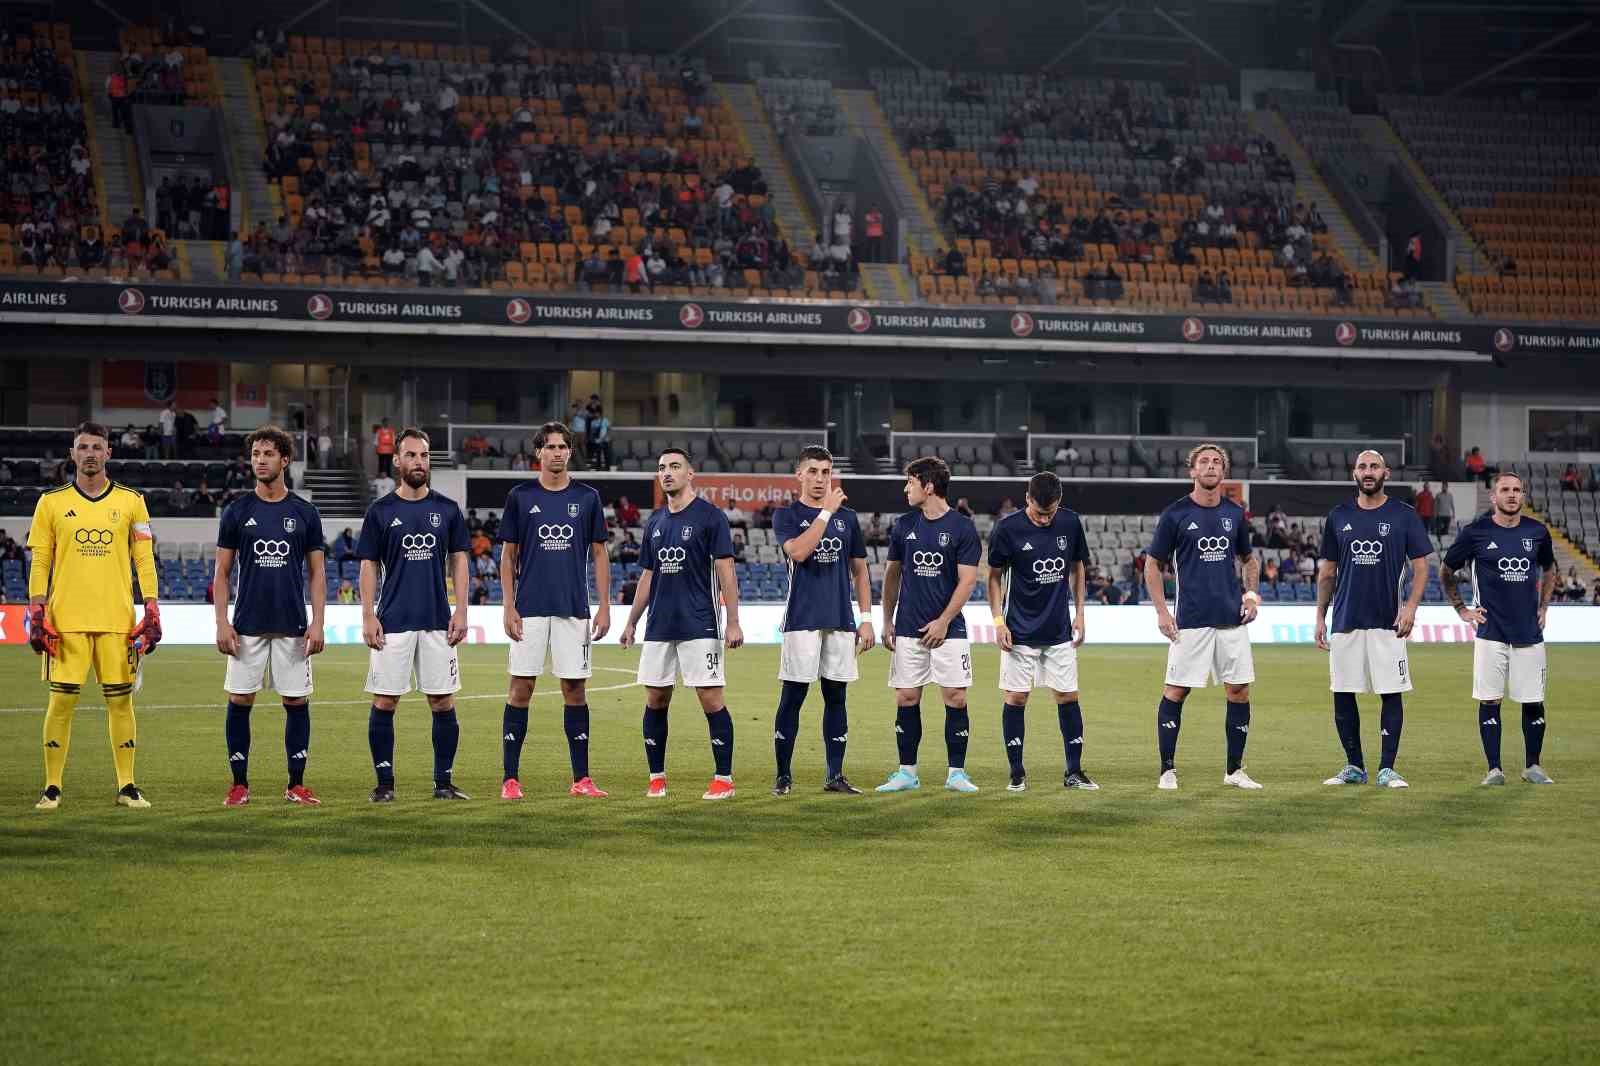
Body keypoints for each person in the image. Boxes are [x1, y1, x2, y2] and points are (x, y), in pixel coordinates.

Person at [27, 422, 161, 810]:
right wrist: (38, 609)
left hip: (118, 621)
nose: (89, 453)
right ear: (72, 454)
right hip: (65, 621)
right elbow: (41, 560)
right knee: (61, 703)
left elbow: (143, 558)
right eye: (83, 446)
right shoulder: (49, 503)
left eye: (97, 447)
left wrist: (150, 604)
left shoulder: (132, 501)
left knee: (121, 704)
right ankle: (52, 787)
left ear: (108, 454)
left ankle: (127, 786)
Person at [619, 448, 744, 800]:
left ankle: (724, 779)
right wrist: (631, 622)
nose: (667, 473)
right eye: (662, 468)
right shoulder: (656, 522)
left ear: (691, 474)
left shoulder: (710, 517)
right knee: (655, 698)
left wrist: (733, 621)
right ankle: (656, 777)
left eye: (675, 467)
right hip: (659, 625)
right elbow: (647, 576)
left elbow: (726, 570)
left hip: (700, 624)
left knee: (710, 698)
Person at [212, 426, 327, 807]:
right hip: (246, 626)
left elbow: (317, 573)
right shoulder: (237, 511)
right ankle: (238, 784)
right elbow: (222, 573)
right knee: (240, 699)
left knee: (296, 703)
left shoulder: (304, 512)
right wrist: (222, 622)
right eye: (256, 454)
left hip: (293, 626)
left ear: (285, 460)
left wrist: (318, 622)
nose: (260, 460)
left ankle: (296, 784)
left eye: (267, 454)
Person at [497, 422, 612, 800]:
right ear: (539, 453)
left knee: (575, 690)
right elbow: (507, 555)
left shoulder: (588, 498)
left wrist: (605, 606)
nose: (559, 452)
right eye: (552, 447)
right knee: (521, 688)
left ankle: (582, 779)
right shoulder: (519, 496)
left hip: (572, 609)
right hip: (529, 609)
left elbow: (599, 552)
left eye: (564, 446)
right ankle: (510, 779)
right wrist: (508, 605)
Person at [356, 428, 472, 802]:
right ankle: (384, 785)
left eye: (423, 456)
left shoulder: (447, 509)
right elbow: (369, 566)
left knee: (443, 701)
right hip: (392, 622)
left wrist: (462, 610)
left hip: (438, 620)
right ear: (397, 461)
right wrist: (368, 615)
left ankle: (443, 783)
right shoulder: (380, 511)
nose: (418, 462)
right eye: (410, 455)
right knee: (385, 701)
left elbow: (459, 561)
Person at [1143, 443, 1262, 791]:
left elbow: (1249, 559)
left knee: (1239, 691)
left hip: (1231, 619)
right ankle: (1167, 770)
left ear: (1223, 473)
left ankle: (1234, 770)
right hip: (1191, 621)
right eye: (1204, 462)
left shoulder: (1235, 514)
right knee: (1176, 691)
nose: (1211, 466)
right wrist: (1162, 611)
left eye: (1217, 463)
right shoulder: (1175, 514)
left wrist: (1252, 595)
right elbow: (1153, 565)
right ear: (1192, 471)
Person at [1313, 450, 1433, 789]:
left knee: (1390, 692)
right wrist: (1320, 616)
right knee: (1343, 691)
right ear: (1354, 473)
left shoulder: (1404, 515)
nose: (1369, 472)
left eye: (1374, 466)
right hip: (1346, 619)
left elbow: (1422, 566)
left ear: (1386, 473)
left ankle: (1386, 768)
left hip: (1387, 622)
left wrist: (1410, 606)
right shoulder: (1338, 516)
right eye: (1363, 466)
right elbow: (1327, 572)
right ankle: (1354, 766)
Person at [1440, 472, 1558, 785]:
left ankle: (1532, 766)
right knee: (1490, 699)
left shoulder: (1537, 532)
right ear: (1494, 497)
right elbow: (1446, 570)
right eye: (1505, 489)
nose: (1511, 495)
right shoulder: (1475, 533)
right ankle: (1494, 769)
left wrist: (1544, 607)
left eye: (1517, 490)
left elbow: (1550, 570)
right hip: (1490, 632)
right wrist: (1461, 609)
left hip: (1529, 633)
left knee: (1533, 700)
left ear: (1523, 496)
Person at [769, 446, 874, 795]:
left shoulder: (849, 518)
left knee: (836, 697)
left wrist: (867, 619)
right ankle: (783, 776)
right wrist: (826, 513)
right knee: (794, 697)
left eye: (826, 472)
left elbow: (860, 570)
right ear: (799, 474)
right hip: (802, 619)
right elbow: (799, 552)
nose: (819, 479)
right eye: (812, 471)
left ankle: (835, 776)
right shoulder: (785, 515)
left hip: (841, 621)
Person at [986, 471, 1097, 791]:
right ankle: (1017, 772)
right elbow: (993, 577)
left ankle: (1074, 771)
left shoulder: (1070, 523)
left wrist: (1080, 614)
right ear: (1027, 499)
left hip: (1059, 630)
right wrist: (997, 621)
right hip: (1019, 632)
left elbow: (1077, 567)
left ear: (1059, 504)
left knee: (1067, 696)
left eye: (1050, 513)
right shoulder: (1007, 528)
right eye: (1038, 512)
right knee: (1017, 698)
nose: (1045, 519)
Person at [876, 456, 982, 794]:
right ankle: (907, 772)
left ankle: (957, 773)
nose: (905, 488)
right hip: (908, 628)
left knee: (955, 697)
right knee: (906, 698)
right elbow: (892, 576)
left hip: (949, 631)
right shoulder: (904, 525)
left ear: (929, 486)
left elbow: (967, 582)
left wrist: (943, 621)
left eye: (910, 481)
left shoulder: (963, 528)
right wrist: (886, 620)